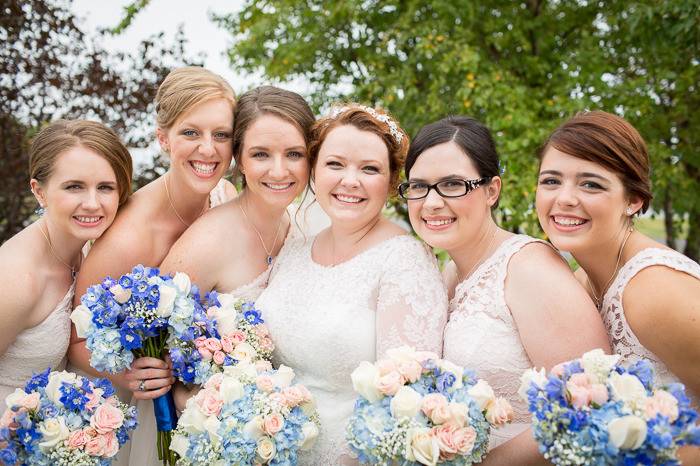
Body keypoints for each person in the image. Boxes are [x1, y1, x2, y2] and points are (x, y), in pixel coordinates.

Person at [401, 115, 610, 464]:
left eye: (453, 185)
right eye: (418, 186)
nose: (432, 202)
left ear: (492, 190)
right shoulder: (448, 273)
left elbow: (587, 404)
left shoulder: (529, 268)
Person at [255, 104, 448, 465]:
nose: (350, 180)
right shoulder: (293, 250)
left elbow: (406, 404)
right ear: (313, 170)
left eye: (369, 169)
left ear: (391, 182)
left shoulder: (404, 260)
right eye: (335, 164)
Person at [67, 66, 237, 465]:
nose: (208, 149)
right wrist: (130, 375)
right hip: (145, 416)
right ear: (163, 138)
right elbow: (75, 342)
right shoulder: (130, 236)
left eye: (221, 135)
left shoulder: (226, 196)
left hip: (208, 408)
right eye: (190, 133)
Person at [159, 85, 315, 410]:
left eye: (294, 154)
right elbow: (160, 352)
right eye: (261, 154)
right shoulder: (205, 244)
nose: (279, 170)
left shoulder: (302, 228)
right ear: (239, 159)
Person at [536, 111, 700, 402]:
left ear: (633, 200)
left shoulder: (656, 290)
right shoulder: (580, 280)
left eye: (591, 184)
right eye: (551, 181)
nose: (564, 198)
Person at [0, 119, 132, 411]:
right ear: (39, 191)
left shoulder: (89, 251)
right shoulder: (17, 279)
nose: (92, 203)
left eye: (106, 188)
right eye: (74, 187)